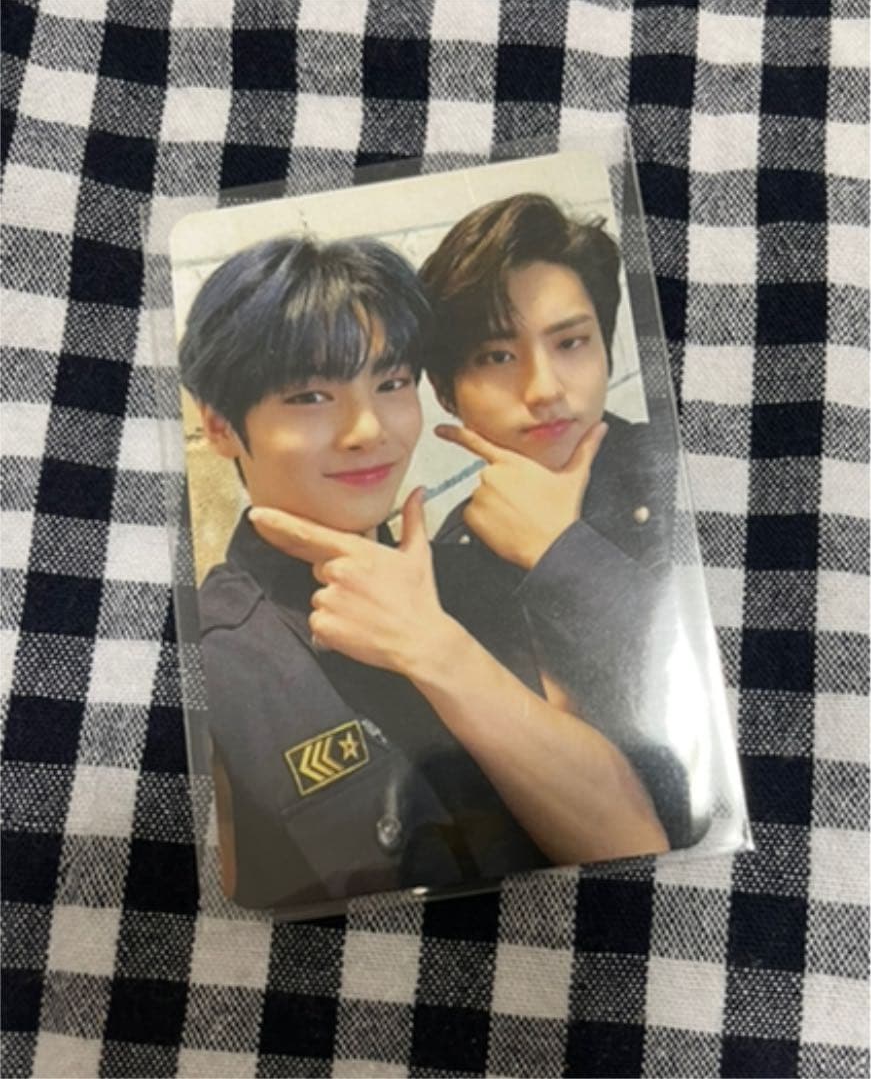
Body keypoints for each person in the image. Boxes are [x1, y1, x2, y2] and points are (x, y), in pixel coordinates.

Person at [177, 235, 668, 912]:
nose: (367, 429)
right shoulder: (211, 659)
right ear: (220, 426)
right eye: (311, 395)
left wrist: (432, 645)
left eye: (391, 384)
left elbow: (632, 840)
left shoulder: (473, 575)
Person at [418, 193, 708, 849]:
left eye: (571, 343)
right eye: (496, 356)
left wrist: (558, 550)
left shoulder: (688, 474)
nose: (544, 387)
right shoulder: (445, 562)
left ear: (606, 348)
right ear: (444, 390)